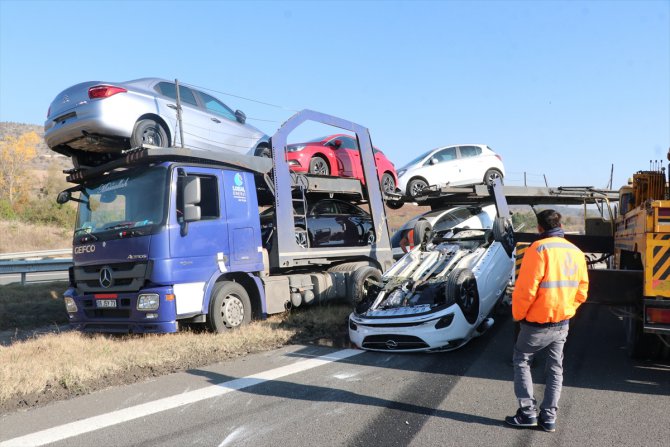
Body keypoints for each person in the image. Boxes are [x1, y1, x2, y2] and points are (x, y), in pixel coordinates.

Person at [505, 209, 589, 433]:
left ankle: (527, 413)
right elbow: (582, 290)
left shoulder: (538, 249)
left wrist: (518, 314)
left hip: (537, 322)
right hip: (562, 321)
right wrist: (569, 308)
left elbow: (526, 289)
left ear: (540, 227)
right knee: (555, 368)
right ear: (559, 225)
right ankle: (549, 418)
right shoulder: (576, 251)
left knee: (522, 359)